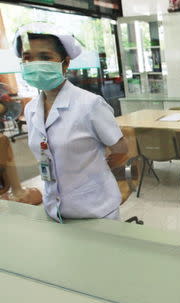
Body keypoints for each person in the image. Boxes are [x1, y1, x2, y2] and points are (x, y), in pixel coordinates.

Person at [13, 22, 128, 222]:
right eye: (28, 58)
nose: (35, 64)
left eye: (45, 57)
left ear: (65, 63)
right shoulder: (31, 109)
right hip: (53, 209)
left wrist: (93, 175)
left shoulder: (90, 104)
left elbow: (120, 149)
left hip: (95, 210)